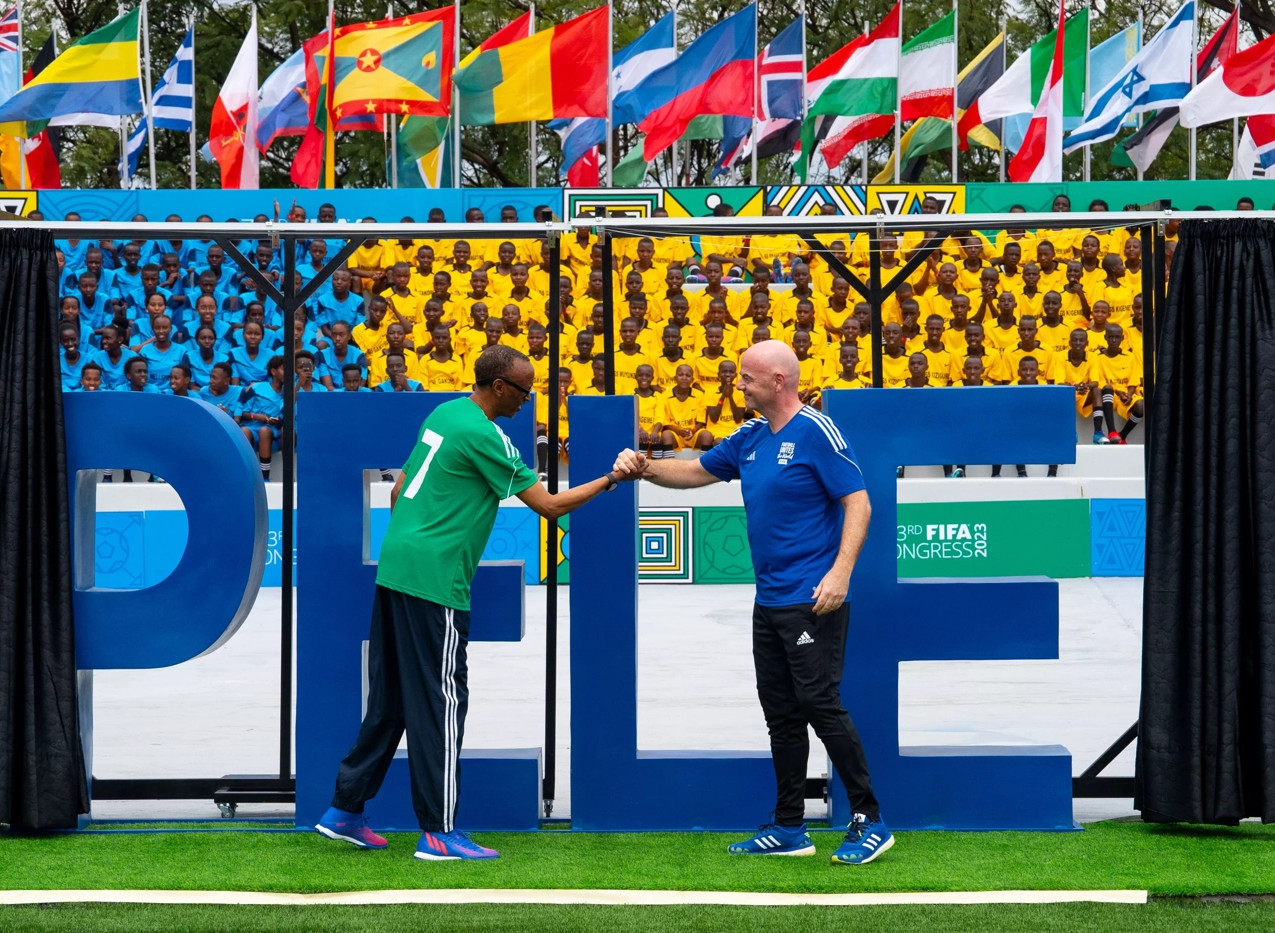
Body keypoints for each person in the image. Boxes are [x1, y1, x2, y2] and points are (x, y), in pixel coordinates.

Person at [315, 345, 637, 860]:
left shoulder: (445, 412)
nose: (528, 401)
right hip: (435, 582)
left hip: (397, 567)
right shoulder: (485, 435)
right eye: (526, 392)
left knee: (392, 699)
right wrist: (614, 479)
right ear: (501, 387)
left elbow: (399, 491)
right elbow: (550, 507)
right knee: (443, 702)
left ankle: (344, 810)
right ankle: (439, 832)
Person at [613, 341, 890, 864]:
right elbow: (696, 472)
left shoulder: (817, 431)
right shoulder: (749, 437)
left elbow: (859, 501)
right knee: (782, 714)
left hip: (813, 598)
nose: (737, 384)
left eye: (747, 377)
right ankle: (790, 827)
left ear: (779, 381)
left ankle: (869, 819)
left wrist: (840, 573)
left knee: (820, 705)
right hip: (770, 602)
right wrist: (644, 468)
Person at [241, 355, 285, 479]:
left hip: (271, 431)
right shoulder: (257, 388)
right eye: (283, 369)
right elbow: (244, 413)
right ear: (273, 371)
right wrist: (256, 416)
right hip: (252, 426)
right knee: (244, 431)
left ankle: (264, 477)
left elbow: (284, 416)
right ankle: (247, 475)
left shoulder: (287, 392)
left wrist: (276, 420)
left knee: (264, 431)